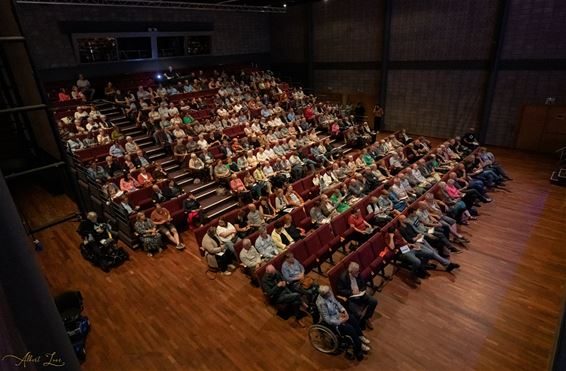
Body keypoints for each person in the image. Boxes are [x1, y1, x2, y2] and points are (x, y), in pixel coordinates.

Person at [316, 285, 370, 361]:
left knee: (352, 318)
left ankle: (360, 336)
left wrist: (343, 310)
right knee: (350, 329)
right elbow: (327, 319)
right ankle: (359, 346)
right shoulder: (321, 304)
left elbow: (336, 303)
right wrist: (341, 321)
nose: (331, 293)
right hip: (332, 322)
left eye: (330, 291)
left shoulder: (329, 294)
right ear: (325, 295)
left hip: (337, 315)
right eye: (329, 292)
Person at [336, 262, 378, 330]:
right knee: (358, 314)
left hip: (360, 295)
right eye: (356, 272)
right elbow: (340, 290)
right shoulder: (343, 278)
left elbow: (363, 283)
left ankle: (366, 318)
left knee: (374, 301)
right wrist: (352, 292)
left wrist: (362, 290)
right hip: (351, 299)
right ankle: (359, 325)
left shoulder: (358, 274)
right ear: (351, 271)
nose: (358, 273)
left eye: (358, 271)